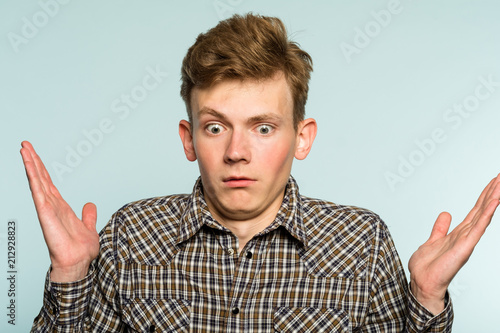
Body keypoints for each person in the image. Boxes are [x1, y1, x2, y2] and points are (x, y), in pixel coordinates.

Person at [22, 13, 499, 332]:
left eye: (263, 127)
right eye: (215, 127)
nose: (237, 151)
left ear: (302, 137)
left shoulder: (361, 243)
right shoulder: (133, 233)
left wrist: (426, 296)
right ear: (189, 139)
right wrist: (69, 274)